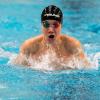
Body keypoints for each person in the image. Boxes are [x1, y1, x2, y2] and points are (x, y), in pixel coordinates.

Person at [14, 5, 90, 70]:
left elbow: (86, 69)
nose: (50, 30)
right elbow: (17, 70)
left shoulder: (73, 46)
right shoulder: (29, 47)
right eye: (46, 25)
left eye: (55, 25)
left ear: (61, 26)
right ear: (42, 26)